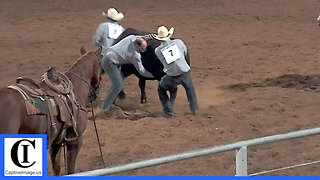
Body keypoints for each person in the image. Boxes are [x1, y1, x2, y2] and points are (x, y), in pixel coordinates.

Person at [100, 35, 154, 112]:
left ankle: (112, 101)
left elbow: (139, 37)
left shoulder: (131, 38)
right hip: (110, 63)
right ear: (137, 46)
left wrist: (149, 36)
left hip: (111, 56)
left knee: (117, 82)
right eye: (143, 48)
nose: (144, 50)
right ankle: (105, 107)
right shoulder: (135, 55)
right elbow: (142, 71)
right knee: (118, 84)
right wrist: (154, 75)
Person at [153, 26, 198, 118]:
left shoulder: (157, 51)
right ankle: (194, 109)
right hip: (184, 72)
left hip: (172, 76)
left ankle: (169, 112)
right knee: (190, 88)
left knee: (161, 89)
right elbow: (185, 52)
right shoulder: (178, 42)